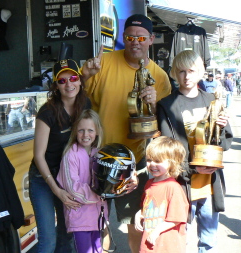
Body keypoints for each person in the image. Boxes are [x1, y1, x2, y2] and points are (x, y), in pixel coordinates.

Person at [82, 14, 172, 252]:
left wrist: (154, 104)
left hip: (135, 160)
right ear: (123, 38)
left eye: (141, 37)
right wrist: (84, 76)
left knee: (134, 220)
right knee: (98, 219)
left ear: (151, 39)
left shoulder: (160, 77)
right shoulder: (103, 63)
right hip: (98, 157)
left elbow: (164, 123)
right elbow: (77, 100)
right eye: (130, 37)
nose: (135, 42)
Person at [156, 50, 233, 252]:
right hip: (182, 184)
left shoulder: (212, 100)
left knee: (209, 239)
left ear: (200, 72)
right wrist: (192, 171)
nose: (186, 76)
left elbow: (225, 144)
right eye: (181, 71)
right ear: (174, 73)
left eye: (191, 70)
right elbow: (167, 151)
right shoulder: (166, 105)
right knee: (181, 239)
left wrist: (222, 128)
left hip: (210, 184)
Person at [29, 59, 91, 253]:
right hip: (43, 179)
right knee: (48, 240)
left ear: (80, 80)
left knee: (67, 236)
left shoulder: (85, 104)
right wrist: (57, 190)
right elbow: (38, 156)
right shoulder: (47, 112)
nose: (69, 84)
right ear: (56, 86)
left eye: (72, 78)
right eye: (62, 81)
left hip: (68, 178)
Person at [56, 109, 107, 253]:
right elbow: (73, 188)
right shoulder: (70, 154)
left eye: (90, 130)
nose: (86, 135)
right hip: (79, 216)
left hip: (98, 216)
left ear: (97, 131)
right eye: (81, 130)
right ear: (75, 132)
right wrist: (101, 194)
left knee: (97, 250)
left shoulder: (100, 153)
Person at [134, 136, 189, 253]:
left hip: (167, 246)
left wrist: (157, 231)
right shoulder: (149, 183)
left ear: (172, 163)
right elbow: (147, 206)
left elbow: (177, 218)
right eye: (149, 160)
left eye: (158, 161)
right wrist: (140, 213)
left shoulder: (173, 187)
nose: (152, 164)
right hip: (149, 243)